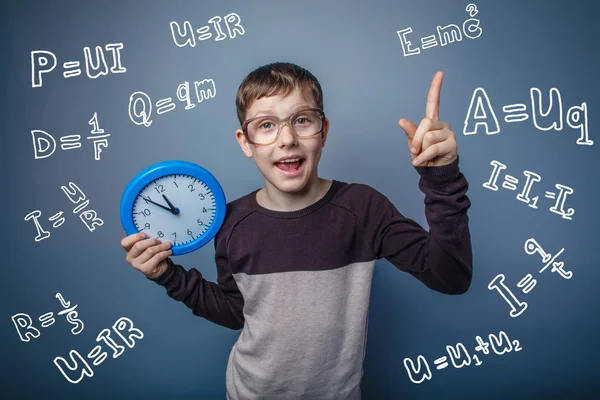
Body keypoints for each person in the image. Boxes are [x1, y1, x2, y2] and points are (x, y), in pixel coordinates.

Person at [121, 62, 473, 399]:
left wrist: (442, 179)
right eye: (266, 125)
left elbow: (450, 278)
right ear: (245, 142)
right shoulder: (232, 223)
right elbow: (236, 312)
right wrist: (168, 275)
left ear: (324, 131)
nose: (287, 138)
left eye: (302, 120)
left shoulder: (363, 209)